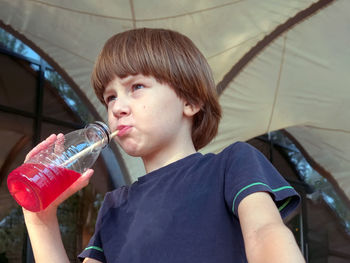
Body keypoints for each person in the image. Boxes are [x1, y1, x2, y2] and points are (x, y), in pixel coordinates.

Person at [22, 28, 305, 263]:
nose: (118, 107)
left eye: (136, 87)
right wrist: (40, 220)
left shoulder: (232, 165)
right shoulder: (114, 208)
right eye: (110, 97)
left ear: (190, 102)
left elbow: (265, 233)